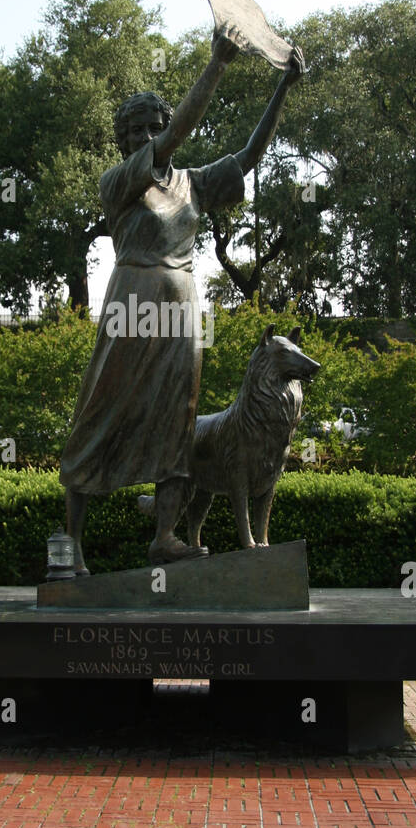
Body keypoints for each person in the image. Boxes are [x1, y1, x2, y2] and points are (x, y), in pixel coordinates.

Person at [60, 30, 305, 572]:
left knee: (178, 421)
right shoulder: (119, 181)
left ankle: (166, 536)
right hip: (133, 305)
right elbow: (175, 134)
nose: (148, 135)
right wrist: (217, 63)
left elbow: (250, 156)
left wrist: (282, 88)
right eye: (137, 130)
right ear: (125, 142)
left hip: (183, 314)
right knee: (101, 414)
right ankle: (72, 543)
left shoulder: (192, 183)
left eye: (153, 124)